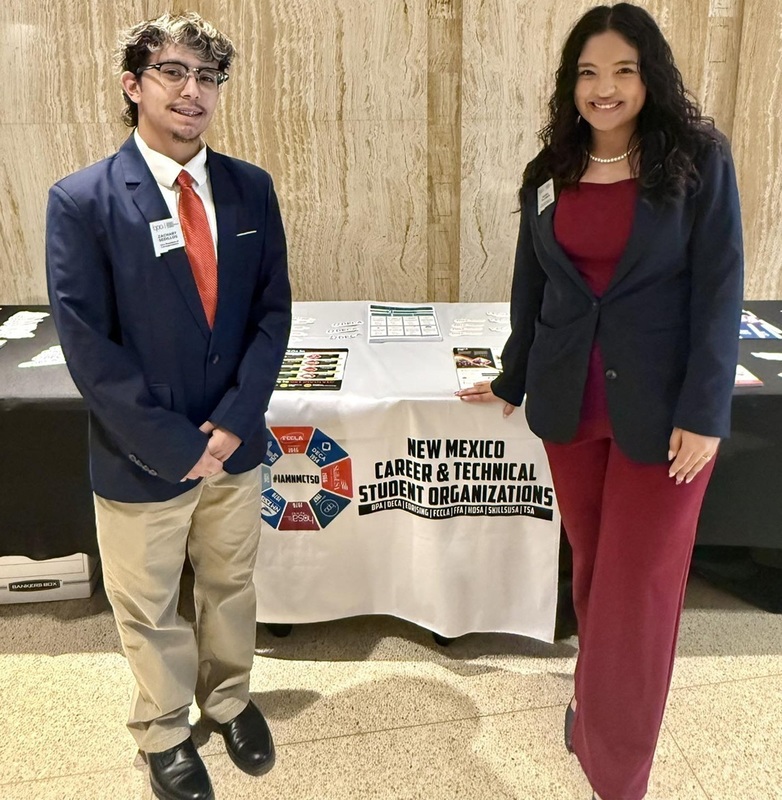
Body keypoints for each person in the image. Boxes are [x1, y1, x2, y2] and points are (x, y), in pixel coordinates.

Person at [457, 4, 742, 799]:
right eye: (588, 72)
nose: (604, 87)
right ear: (569, 84)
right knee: (593, 576)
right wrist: (514, 376)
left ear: (650, 76)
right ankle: (592, 711)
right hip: (569, 408)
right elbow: (534, 288)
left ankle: (618, 774)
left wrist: (706, 413)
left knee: (636, 593)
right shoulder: (551, 172)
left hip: (665, 418)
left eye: (622, 69)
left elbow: (721, 290)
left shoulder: (696, 161)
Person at [45, 12, 291, 800]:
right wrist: (178, 444)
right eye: (174, 73)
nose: (193, 91)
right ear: (134, 85)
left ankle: (229, 700)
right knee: (148, 606)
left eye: (208, 77)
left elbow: (270, 312)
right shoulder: (83, 200)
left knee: (231, 585)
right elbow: (88, 346)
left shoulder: (250, 187)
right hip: (141, 453)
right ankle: (163, 732)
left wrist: (234, 421)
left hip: (235, 441)